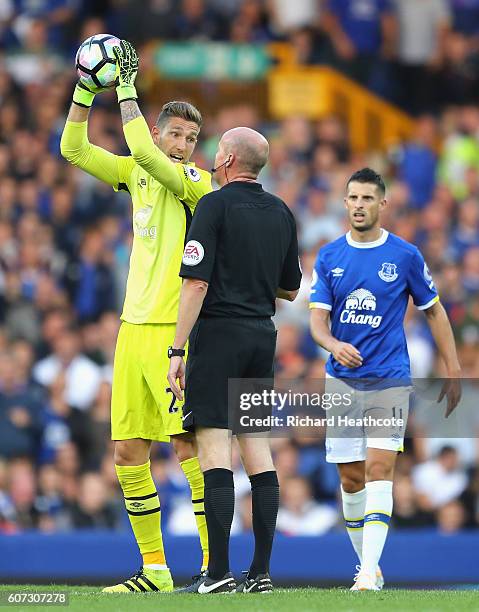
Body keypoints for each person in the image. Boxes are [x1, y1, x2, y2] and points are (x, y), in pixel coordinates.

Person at [60, 40, 211, 593]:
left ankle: (212, 567)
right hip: (131, 327)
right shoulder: (138, 173)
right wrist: (86, 88)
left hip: (176, 332)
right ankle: (155, 570)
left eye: (193, 139)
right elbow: (72, 148)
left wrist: (124, 86)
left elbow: (146, 155)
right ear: (160, 130)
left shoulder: (199, 185)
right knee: (128, 450)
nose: (184, 145)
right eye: (177, 134)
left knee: (188, 446)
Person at [309, 167, 461, 591]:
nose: (358, 205)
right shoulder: (329, 256)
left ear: (382, 204)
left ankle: (366, 575)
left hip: (390, 378)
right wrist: (332, 344)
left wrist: (451, 368)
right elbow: (316, 324)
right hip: (340, 380)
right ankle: (369, 568)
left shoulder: (405, 255)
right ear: (344, 202)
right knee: (350, 478)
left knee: (380, 468)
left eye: (367, 199)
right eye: (352, 198)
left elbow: (434, 310)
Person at [167, 127, 302, 594]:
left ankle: (218, 572)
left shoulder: (214, 205)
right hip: (261, 335)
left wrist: (177, 349)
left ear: (225, 160)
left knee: (214, 448)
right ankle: (261, 573)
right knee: (258, 451)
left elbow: (196, 283)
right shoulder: (282, 212)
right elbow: (290, 288)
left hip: (220, 334)